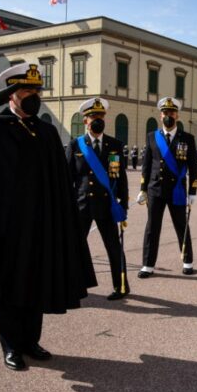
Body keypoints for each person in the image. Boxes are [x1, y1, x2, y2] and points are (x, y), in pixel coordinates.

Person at [0, 62, 97, 371]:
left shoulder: (46, 131)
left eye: (36, 91)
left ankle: (30, 341)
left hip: (41, 223)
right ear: (11, 94)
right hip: (6, 226)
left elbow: (59, 181)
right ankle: (10, 345)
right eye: (26, 91)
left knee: (36, 284)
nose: (33, 96)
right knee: (10, 288)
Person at [66, 98, 130, 300]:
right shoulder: (75, 145)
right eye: (93, 116)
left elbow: (120, 177)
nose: (97, 119)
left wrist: (123, 205)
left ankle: (121, 286)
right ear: (85, 120)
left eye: (101, 116)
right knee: (75, 248)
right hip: (82, 205)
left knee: (114, 248)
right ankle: (73, 286)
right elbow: (67, 180)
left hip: (106, 205)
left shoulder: (114, 145)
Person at [137, 96, 197, 277]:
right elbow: (146, 166)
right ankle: (148, 265)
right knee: (152, 227)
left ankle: (187, 261)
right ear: (160, 115)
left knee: (181, 226)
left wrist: (193, 191)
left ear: (177, 115)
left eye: (171, 112)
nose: (168, 116)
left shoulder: (187, 138)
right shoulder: (152, 137)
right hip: (155, 189)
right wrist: (142, 189)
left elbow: (193, 167)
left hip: (177, 190)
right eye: (165, 113)